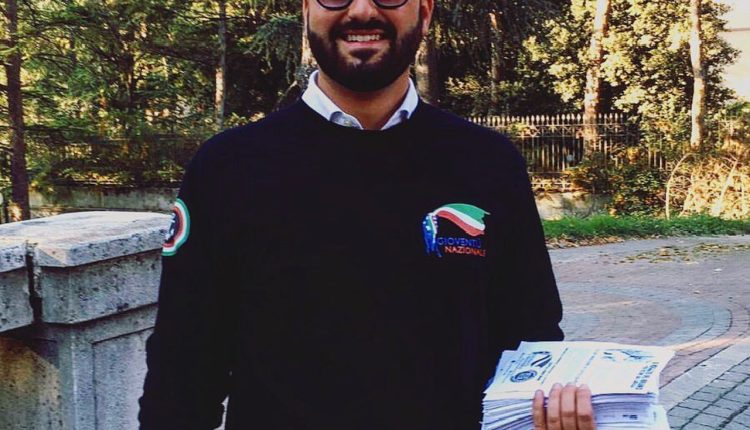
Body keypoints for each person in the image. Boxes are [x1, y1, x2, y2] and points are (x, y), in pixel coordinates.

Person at [138, 0, 595, 428]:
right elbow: (183, 368)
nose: (361, 10)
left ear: (425, 11)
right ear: (306, 10)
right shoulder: (227, 168)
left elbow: (531, 339)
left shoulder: (488, 162)